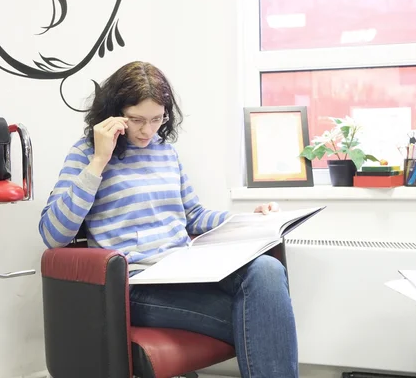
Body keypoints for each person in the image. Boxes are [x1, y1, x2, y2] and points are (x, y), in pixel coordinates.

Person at [38, 61, 299, 377]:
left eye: (156, 119)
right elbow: (54, 234)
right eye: (136, 120)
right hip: (135, 286)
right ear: (114, 114)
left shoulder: (165, 151)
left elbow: (194, 215)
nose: (148, 130)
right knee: (263, 317)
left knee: (267, 268)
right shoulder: (87, 153)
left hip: (186, 273)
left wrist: (248, 220)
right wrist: (98, 162)